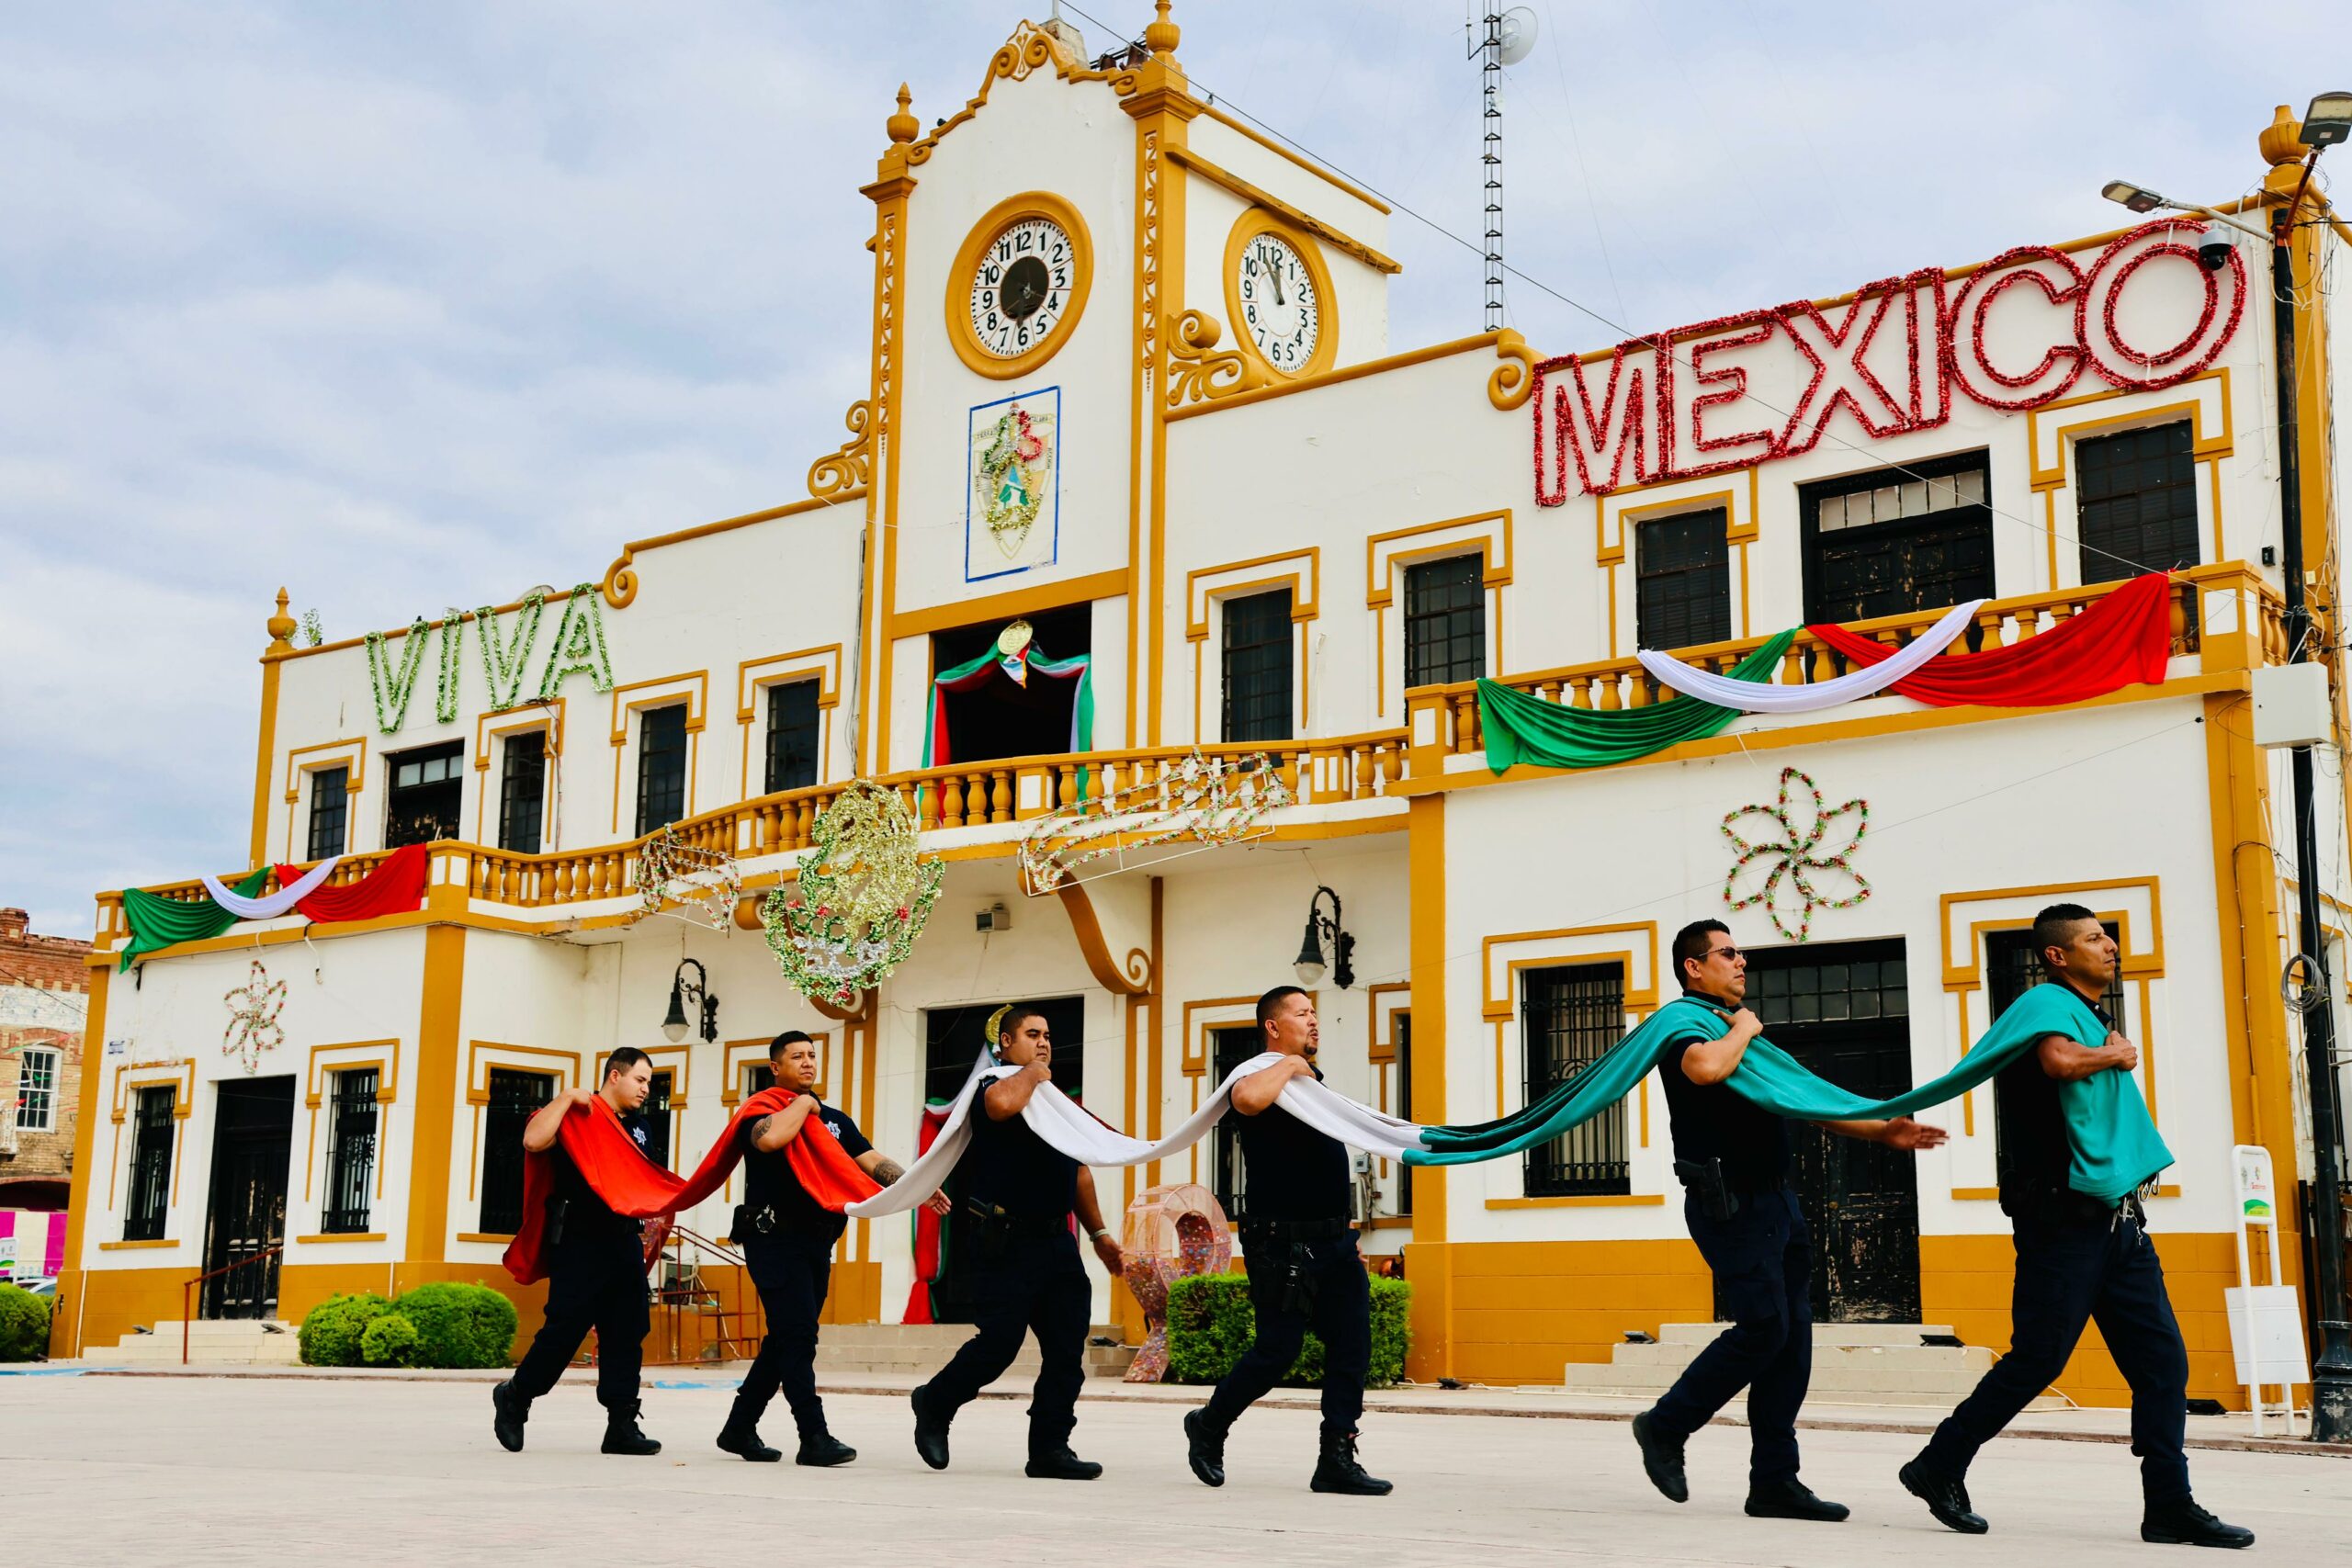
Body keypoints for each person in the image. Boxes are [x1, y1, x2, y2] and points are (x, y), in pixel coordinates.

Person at [1901, 905, 2253, 1547]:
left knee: (2162, 1363)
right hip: (2061, 1220)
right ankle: (1939, 1462)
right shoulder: (2045, 1008)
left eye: (2108, 934)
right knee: (2038, 1357)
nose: (2111, 945)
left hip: (2120, 1221)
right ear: (2058, 955)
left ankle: (2169, 1503)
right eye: (2094, 937)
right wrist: (2115, 1054)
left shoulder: (2086, 1013)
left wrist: (2109, 1047)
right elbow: (2060, 1064)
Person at [1630, 920, 1947, 1520]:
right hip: (1731, 1204)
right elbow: (1703, 1070)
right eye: (1727, 953)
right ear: (1694, 966)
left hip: (1779, 1203)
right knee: (1763, 1328)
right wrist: (1745, 1026)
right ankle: (1665, 1425)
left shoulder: (1740, 1037)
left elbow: (1811, 1105)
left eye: (1739, 952)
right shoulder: (1686, 1026)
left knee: (1791, 1342)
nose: (1741, 961)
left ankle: (1774, 1480)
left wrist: (1885, 1130)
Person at [1183, 986, 1390, 1496]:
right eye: (1302, 1014)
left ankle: (1336, 1457)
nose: (1314, 1021)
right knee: (1278, 1350)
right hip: (1281, 1247)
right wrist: (1293, 1065)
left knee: (1352, 1345)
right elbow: (1248, 1101)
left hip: (1333, 1242)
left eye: (1314, 1013)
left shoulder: (1308, 1085)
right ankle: (1208, 1424)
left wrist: (1345, 1230)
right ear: (1273, 1026)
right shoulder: (1255, 1074)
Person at [910, 1005, 1125, 1479]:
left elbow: (1080, 1169)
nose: (1044, 1042)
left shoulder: (1054, 1100)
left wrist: (1101, 1235)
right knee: (999, 1346)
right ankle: (935, 1402)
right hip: (1004, 1242)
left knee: (1067, 1351)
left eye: (1047, 1035)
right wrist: (1033, 1072)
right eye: (1032, 1034)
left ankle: (1049, 1448)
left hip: (1057, 1244)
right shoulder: (992, 1086)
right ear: (1006, 1043)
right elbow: (1003, 1106)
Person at [717, 1031, 949, 1465]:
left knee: (786, 1338)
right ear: (775, 1068)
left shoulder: (835, 1120)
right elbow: (770, 1139)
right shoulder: (760, 1111)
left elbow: (870, 1160)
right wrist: (804, 1105)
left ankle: (739, 1427)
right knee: (798, 1336)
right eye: (797, 1057)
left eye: (811, 1056)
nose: (807, 1063)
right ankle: (813, 1436)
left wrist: (916, 1186)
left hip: (816, 1241)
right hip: (772, 1239)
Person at [493, 1047, 663, 1456]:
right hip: (579, 1239)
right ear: (614, 1076)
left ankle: (621, 1424)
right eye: (640, 1080)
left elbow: (645, 1181)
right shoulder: (575, 1113)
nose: (645, 1090)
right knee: (564, 1330)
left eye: (648, 1083)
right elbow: (533, 1141)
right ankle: (517, 1394)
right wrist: (568, 1096)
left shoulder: (640, 1128)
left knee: (628, 1330)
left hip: (624, 1240)